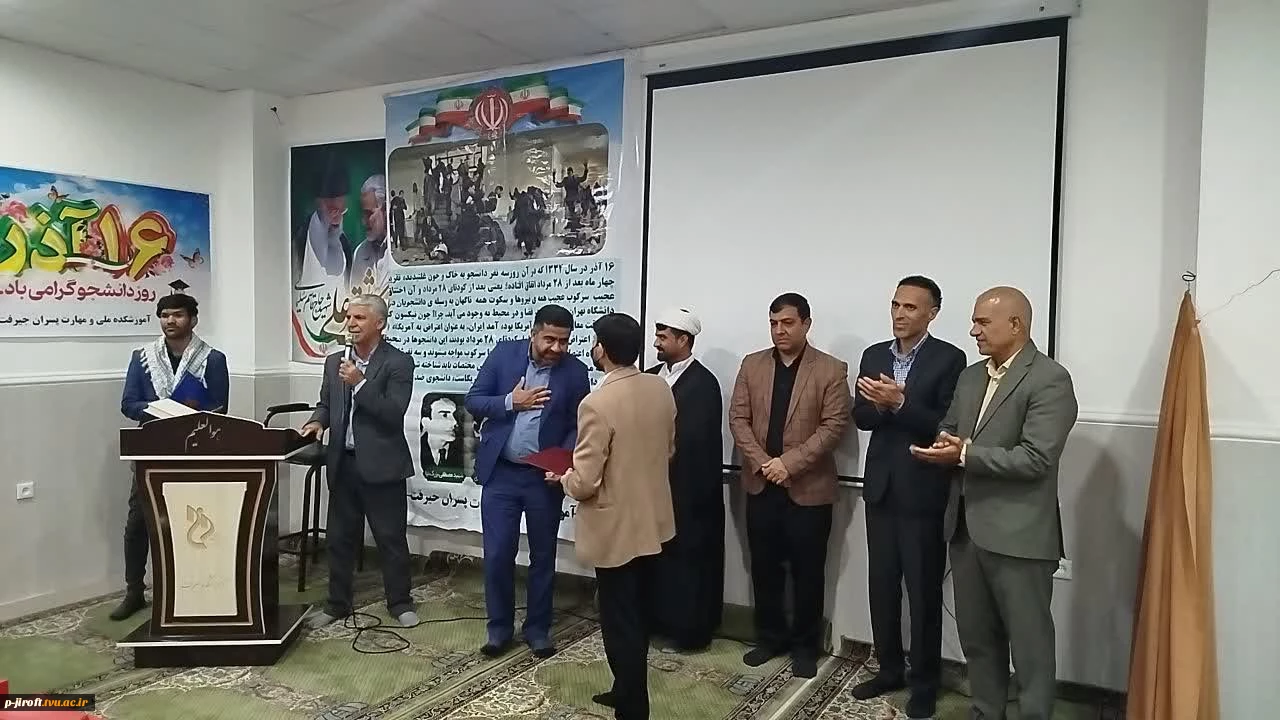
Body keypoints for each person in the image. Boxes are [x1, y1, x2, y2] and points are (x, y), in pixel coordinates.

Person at [911, 286, 1077, 720]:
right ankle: (986, 711)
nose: (973, 331)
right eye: (974, 321)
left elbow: (1036, 458)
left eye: (982, 322)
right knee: (978, 638)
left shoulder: (1050, 379)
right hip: (965, 531)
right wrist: (942, 443)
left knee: (1030, 646)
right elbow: (950, 426)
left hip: (1020, 536)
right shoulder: (970, 377)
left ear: (1016, 325)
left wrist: (964, 454)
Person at [547, 312, 676, 720]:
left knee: (621, 622)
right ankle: (624, 690)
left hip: (617, 529)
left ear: (601, 349)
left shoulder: (597, 403)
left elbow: (586, 481)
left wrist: (563, 478)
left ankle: (633, 709)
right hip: (653, 522)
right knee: (638, 613)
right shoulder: (660, 387)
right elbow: (668, 449)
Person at [851, 276, 967, 718]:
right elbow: (861, 417)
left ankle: (925, 682)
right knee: (882, 587)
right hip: (880, 487)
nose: (900, 314)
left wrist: (900, 404)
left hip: (923, 490)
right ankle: (888, 670)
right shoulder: (874, 355)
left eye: (911, 307)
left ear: (932, 314)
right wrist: (880, 406)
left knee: (922, 593)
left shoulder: (949, 358)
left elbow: (945, 424)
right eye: (896, 305)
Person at [728, 293, 851, 678]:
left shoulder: (830, 369)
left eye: (787, 323)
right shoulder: (752, 364)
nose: (779, 330)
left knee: (808, 573)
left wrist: (789, 464)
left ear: (806, 324)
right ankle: (770, 638)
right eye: (773, 323)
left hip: (809, 489)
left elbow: (833, 426)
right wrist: (765, 463)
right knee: (764, 568)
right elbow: (738, 419)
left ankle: (805, 647)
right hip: (761, 485)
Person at [465, 304, 592, 658]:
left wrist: (562, 462)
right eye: (549, 339)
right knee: (497, 554)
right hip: (501, 475)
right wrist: (511, 401)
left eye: (564, 341)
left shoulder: (575, 371)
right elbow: (474, 400)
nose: (556, 348)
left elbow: (578, 423)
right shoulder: (504, 355)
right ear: (534, 333)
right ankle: (499, 630)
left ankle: (538, 629)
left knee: (542, 556)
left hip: (543, 480)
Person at [300, 294, 418, 630]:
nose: (351, 324)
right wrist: (317, 421)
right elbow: (327, 403)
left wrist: (360, 383)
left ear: (379, 323)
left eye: (359, 318)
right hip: (343, 463)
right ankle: (337, 603)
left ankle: (400, 602)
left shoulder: (398, 362)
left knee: (390, 539)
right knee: (339, 540)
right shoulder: (335, 361)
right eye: (349, 317)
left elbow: (392, 413)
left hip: (382, 465)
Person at [114, 292, 229, 620]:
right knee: (138, 522)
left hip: (195, 452)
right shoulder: (142, 357)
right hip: (151, 449)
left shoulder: (213, 359)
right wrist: (160, 410)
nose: (170, 321)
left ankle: (190, 588)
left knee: (191, 524)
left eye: (177, 315)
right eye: (164, 315)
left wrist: (189, 412)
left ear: (193, 319)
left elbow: (220, 408)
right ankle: (134, 591)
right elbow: (128, 404)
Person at [644, 308, 725, 652]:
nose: (656, 343)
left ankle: (690, 634)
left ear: (684, 340)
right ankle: (657, 623)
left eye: (663, 337)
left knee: (689, 562)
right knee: (654, 560)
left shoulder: (703, 384)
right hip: (650, 489)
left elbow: (694, 441)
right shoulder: (649, 377)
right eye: (657, 335)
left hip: (689, 492)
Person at [349, 175, 392, 291]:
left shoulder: (400, 252)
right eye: (362, 214)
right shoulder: (360, 253)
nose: (364, 222)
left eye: (369, 214)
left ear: (385, 210)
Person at [420, 392, 464, 477]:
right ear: (426, 422)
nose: (455, 422)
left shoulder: (463, 450)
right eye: (445, 415)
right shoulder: (414, 450)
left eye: (454, 415)